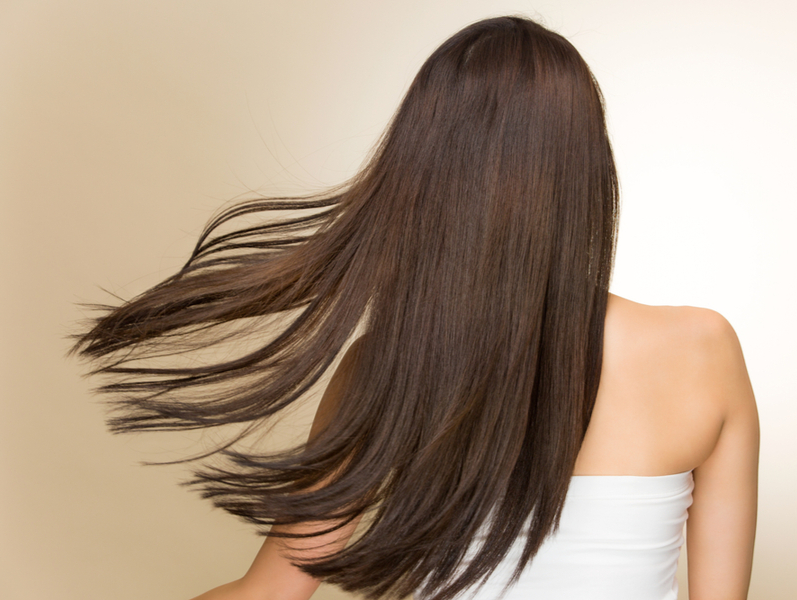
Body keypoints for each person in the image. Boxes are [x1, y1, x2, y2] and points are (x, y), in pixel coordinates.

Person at [72, 15, 758, 600]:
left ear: (425, 171)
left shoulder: (389, 366)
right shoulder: (702, 349)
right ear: (587, 171)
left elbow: (270, 594)